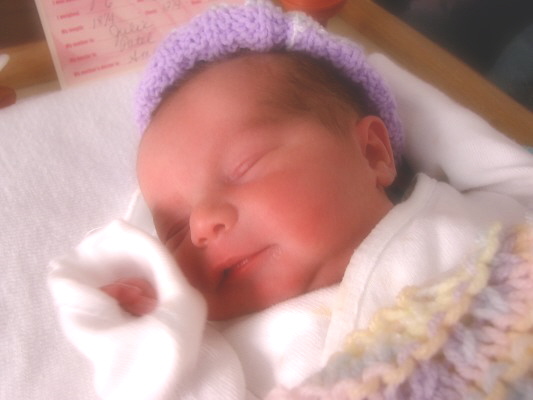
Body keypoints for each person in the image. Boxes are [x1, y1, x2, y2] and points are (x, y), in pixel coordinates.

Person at [48, 2, 533, 399]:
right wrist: (150, 341)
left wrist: (369, 66)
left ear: (372, 153)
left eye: (243, 168)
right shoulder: (229, 352)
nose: (201, 226)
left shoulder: (462, 216)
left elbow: (518, 180)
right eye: (173, 228)